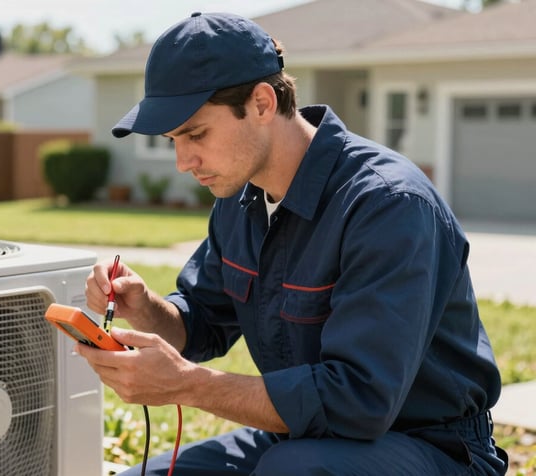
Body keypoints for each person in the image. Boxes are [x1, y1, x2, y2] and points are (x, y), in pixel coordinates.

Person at [78, 11, 509, 476]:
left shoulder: (386, 204)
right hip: (305, 441)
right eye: (172, 141)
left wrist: (188, 385)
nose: (184, 161)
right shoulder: (238, 197)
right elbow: (200, 324)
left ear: (262, 103)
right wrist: (142, 307)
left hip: (433, 449)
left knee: (291, 468)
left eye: (196, 134)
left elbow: (358, 401)